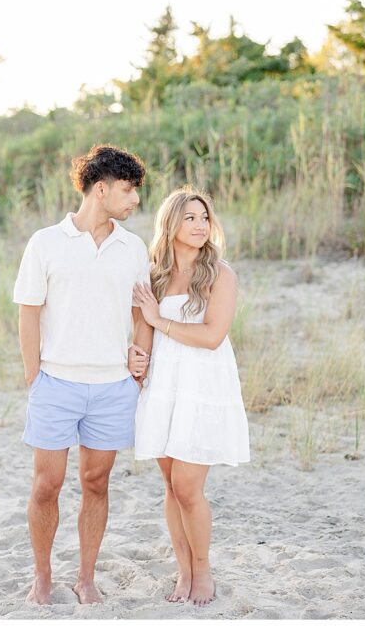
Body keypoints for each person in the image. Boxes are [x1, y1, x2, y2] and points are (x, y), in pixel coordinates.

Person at [13, 144, 150, 605]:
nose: (134, 201)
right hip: (56, 383)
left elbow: (142, 314)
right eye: (129, 191)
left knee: (96, 482)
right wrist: (36, 377)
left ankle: (86, 577)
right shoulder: (46, 243)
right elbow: (28, 313)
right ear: (101, 188)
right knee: (46, 484)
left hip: (112, 387)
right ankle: (42, 576)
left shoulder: (132, 248)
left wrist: (138, 362)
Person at [131, 186, 249, 607]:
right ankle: (182, 570)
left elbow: (212, 336)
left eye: (204, 218)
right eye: (190, 218)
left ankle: (204, 570)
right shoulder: (154, 274)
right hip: (163, 386)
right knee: (170, 484)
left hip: (203, 386)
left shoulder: (220, 273)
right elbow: (141, 331)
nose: (200, 225)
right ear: (171, 224)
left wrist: (157, 320)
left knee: (187, 485)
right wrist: (137, 359)